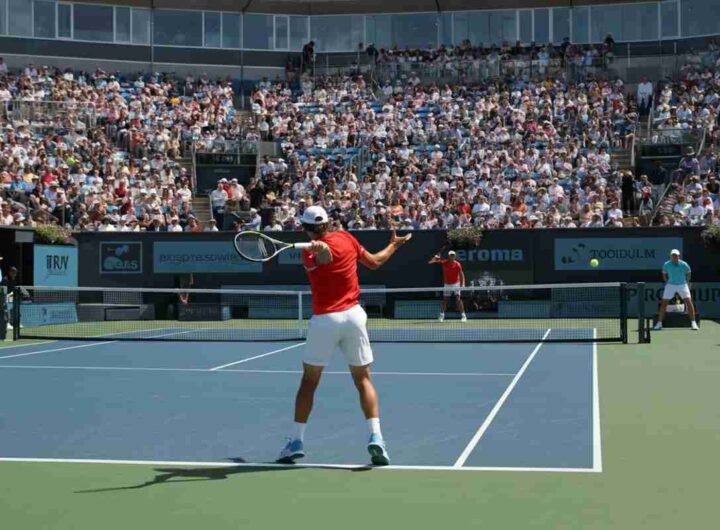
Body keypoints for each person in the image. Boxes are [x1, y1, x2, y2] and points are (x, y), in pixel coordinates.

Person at [278, 206, 412, 466]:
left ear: (304, 228)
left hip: (325, 320)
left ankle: (296, 440)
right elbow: (374, 262)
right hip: (354, 317)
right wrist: (394, 246)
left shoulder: (308, 253)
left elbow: (325, 260)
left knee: (309, 382)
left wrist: (321, 251)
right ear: (328, 224)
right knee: (363, 379)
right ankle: (377, 437)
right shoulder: (346, 238)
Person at [654, 249, 698, 330]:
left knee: (689, 302)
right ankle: (659, 323)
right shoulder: (666, 264)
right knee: (664, 303)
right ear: (670, 256)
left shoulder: (684, 264)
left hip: (682, 285)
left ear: (679, 256)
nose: (675, 257)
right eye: (673, 255)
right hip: (670, 285)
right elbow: (664, 273)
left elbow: (689, 272)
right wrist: (667, 282)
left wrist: (687, 282)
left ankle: (693, 322)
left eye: (676, 255)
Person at [428, 250, 467, 322]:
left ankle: (463, 316)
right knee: (445, 300)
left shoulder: (458, 264)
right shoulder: (444, 263)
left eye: (453, 255)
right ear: (448, 256)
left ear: (455, 257)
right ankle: (441, 316)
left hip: (456, 283)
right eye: (450, 255)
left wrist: (463, 283)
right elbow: (430, 262)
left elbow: (461, 274)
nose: (452, 257)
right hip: (447, 284)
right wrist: (435, 258)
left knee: (458, 299)